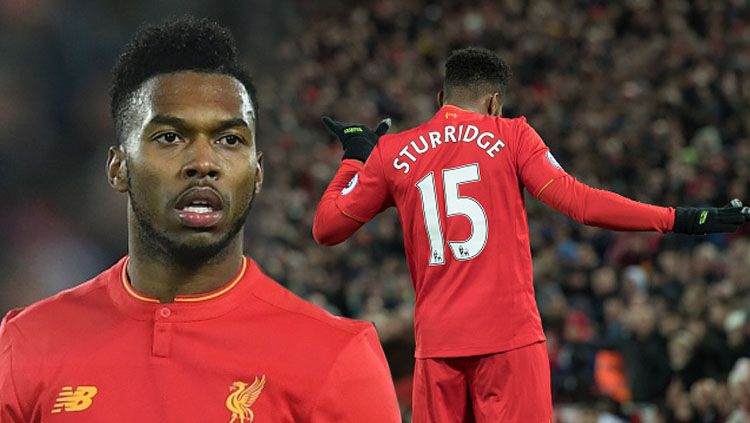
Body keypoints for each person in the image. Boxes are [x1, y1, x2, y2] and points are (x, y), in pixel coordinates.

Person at [312, 47, 750, 422]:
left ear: (440, 97)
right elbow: (582, 203)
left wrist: (356, 157)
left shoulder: (393, 151)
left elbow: (326, 229)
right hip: (510, 344)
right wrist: (681, 218)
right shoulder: (511, 136)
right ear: (495, 102)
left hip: (438, 350)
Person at [0, 16, 401, 422]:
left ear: (257, 172)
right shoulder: (26, 345)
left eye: (230, 140)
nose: (204, 163)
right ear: (118, 168)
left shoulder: (336, 359)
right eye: (170, 137)